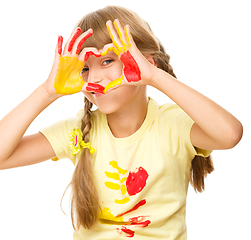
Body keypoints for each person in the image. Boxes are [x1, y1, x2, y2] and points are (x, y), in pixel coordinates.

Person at [0, 5, 243, 240]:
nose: (94, 77)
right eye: (84, 68)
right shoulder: (76, 131)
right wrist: (46, 92)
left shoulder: (171, 125)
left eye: (107, 61)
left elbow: (230, 134)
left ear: (145, 62)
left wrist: (155, 77)